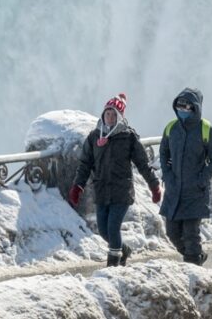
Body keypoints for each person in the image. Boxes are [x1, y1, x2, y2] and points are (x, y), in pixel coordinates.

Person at [68, 93, 162, 267]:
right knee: (104, 231)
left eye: (114, 115)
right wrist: (77, 186)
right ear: (103, 115)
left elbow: (142, 163)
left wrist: (154, 185)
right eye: (107, 114)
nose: (110, 117)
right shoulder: (94, 137)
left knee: (112, 228)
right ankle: (123, 249)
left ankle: (113, 267)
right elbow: (85, 164)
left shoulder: (128, 137)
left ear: (120, 117)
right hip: (102, 191)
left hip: (121, 191)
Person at [159, 87, 212, 265]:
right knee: (172, 233)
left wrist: (201, 179)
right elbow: (163, 152)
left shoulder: (206, 130)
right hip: (174, 189)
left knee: (191, 235)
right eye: (179, 107)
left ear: (194, 107)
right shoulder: (171, 128)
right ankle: (196, 256)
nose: (182, 110)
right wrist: (167, 174)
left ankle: (193, 269)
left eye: (186, 107)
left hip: (195, 192)